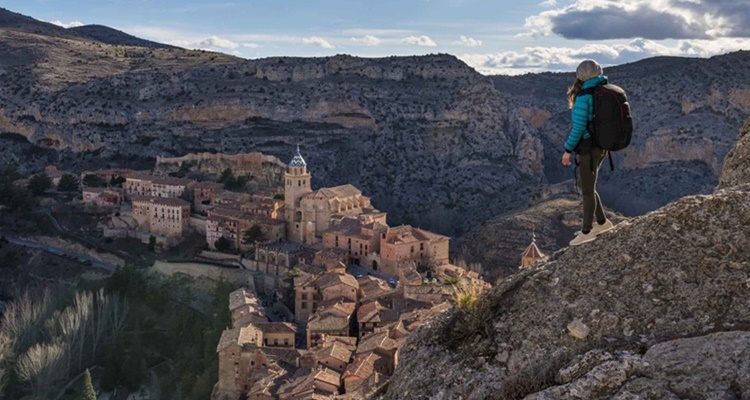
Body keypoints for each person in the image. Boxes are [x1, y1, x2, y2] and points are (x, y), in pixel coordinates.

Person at [562, 59, 615, 246]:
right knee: (588, 185)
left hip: (588, 148)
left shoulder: (584, 97)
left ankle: (586, 232)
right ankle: (602, 222)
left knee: (586, 191)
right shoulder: (603, 90)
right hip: (600, 147)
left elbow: (578, 128)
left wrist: (567, 150)